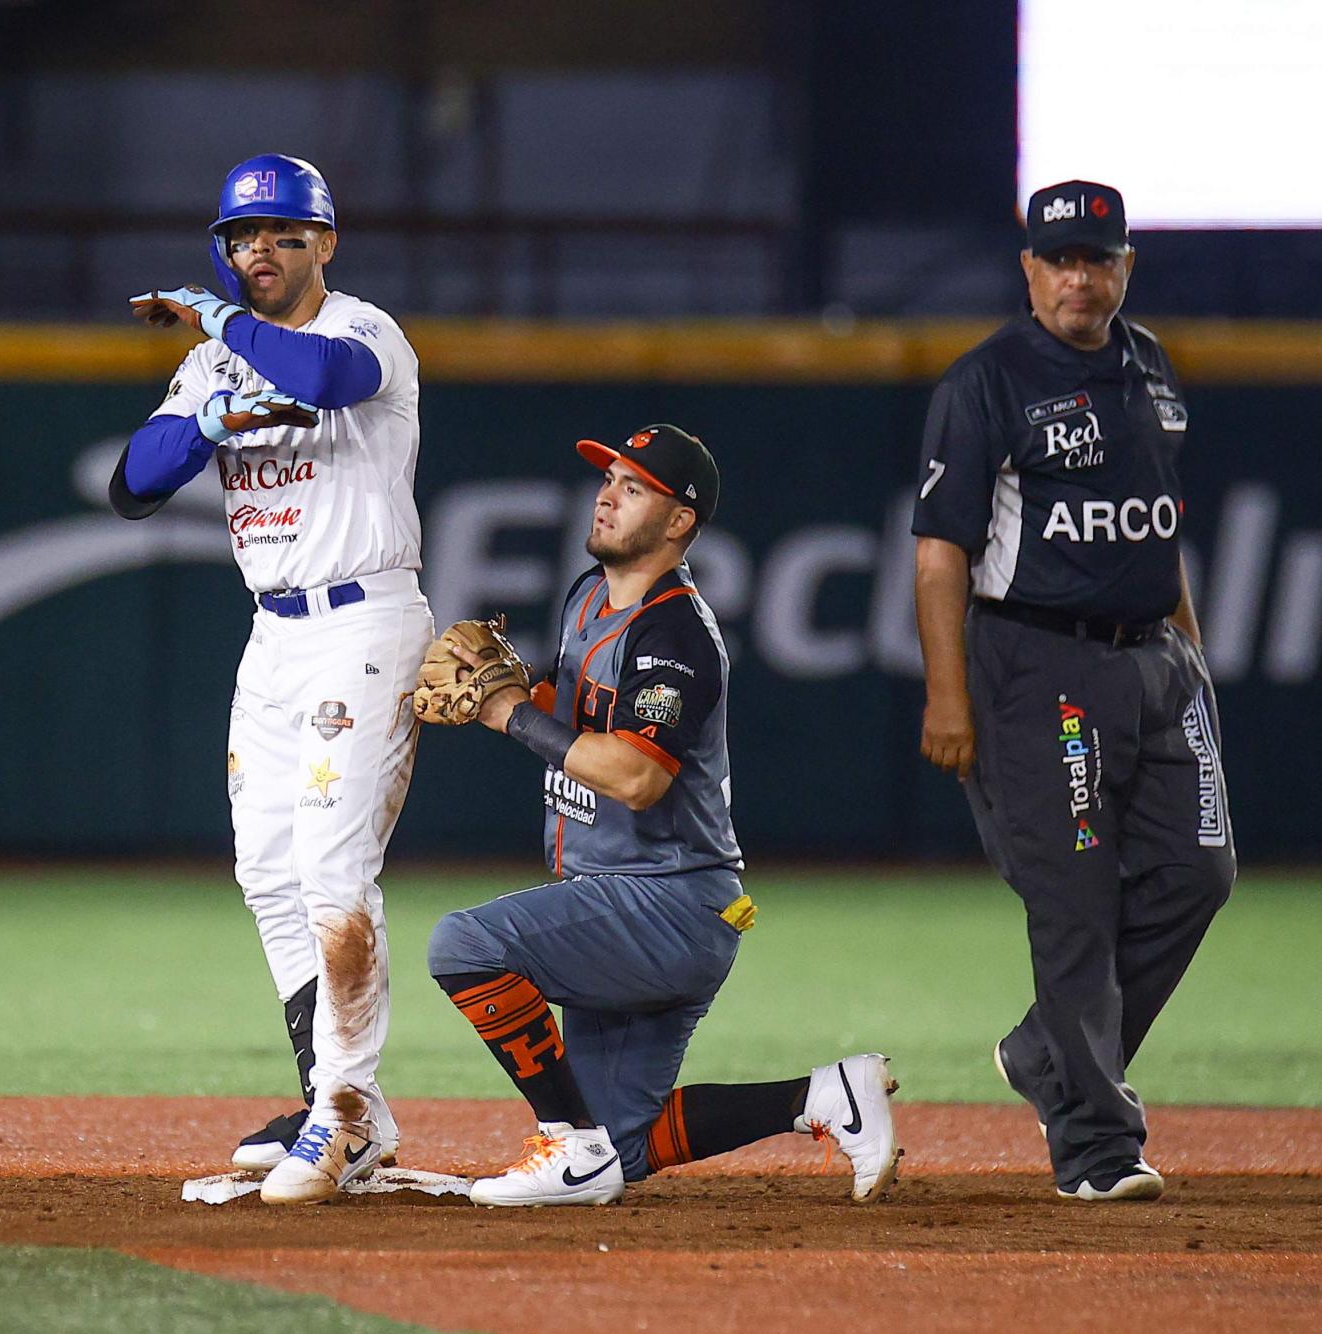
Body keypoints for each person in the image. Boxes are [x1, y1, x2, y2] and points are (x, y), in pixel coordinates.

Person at [418, 424, 902, 1207]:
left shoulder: (676, 631)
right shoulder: (586, 595)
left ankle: (568, 1147)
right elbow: (582, 725)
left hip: (666, 902)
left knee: (463, 944)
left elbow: (638, 777)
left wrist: (509, 714)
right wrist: (523, 699)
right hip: (622, 896)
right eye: (609, 478)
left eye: (634, 486)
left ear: (680, 520)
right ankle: (823, 1097)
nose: (608, 493)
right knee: (627, 1144)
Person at [109, 153, 435, 1206]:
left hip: (363, 618)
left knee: (336, 872)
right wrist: (202, 417)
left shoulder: (360, 330)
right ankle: (334, 1103)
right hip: (274, 635)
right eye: (243, 238)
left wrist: (214, 321)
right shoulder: (214, 362)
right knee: (267, 871)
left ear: (324, 245)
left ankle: (339, 1118)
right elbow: (132, 485)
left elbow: (325, 383)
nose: (260, 252)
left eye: (283, 235)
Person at [912, 180, 1235, 1202]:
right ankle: (1095, 1147)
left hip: (1154, 659)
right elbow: (936, 554)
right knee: (1074, 901)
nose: (1077, 277)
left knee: (1198, 871)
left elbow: (1159, 525)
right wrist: (947, 696)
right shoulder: (987, 381)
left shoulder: (1148, 366)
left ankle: (1046, 1052)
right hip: (1039, 662)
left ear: (1124, 267)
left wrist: (1190, 651)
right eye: (1058, 259)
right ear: (1026, 269)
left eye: (1096, 258)